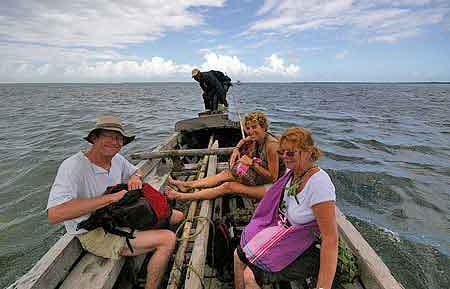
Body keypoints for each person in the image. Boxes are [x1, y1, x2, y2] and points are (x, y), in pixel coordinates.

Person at [46, 115, 184, 289]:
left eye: (119, 138)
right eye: (108, 136)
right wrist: (109, 198)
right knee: (168, 239)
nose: (115, 142)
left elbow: (137, 171)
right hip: (95, 231)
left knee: (178, 216)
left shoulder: (116, 159)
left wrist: (135, 177)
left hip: (119, 216)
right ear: (94, 138)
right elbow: (55, 214)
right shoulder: (73, 167)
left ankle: (155, 254)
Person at [234, 127, 338, 289]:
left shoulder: (319, 185)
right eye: (281, 152)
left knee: (249, 275)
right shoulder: (293, 172)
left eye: (290, 153)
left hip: (308, 247)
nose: (284, 157)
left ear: (309, 152)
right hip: (287, 234)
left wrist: (323, 287)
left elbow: (330, 240)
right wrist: (241, 144)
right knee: (238, 254)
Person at [165, 111, 284, 201]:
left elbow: (273, 178)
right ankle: (187, 185)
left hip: (274, 187)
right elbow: (244, 140)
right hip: (260, 177)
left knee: (228, 186)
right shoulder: (257, 137)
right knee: (225, 174)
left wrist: (252, 163)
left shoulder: (271, 146)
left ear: (264, 127)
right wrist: (236, 150)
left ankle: (182, 197)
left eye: (254, 127)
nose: (250, 131)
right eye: (248, 128)